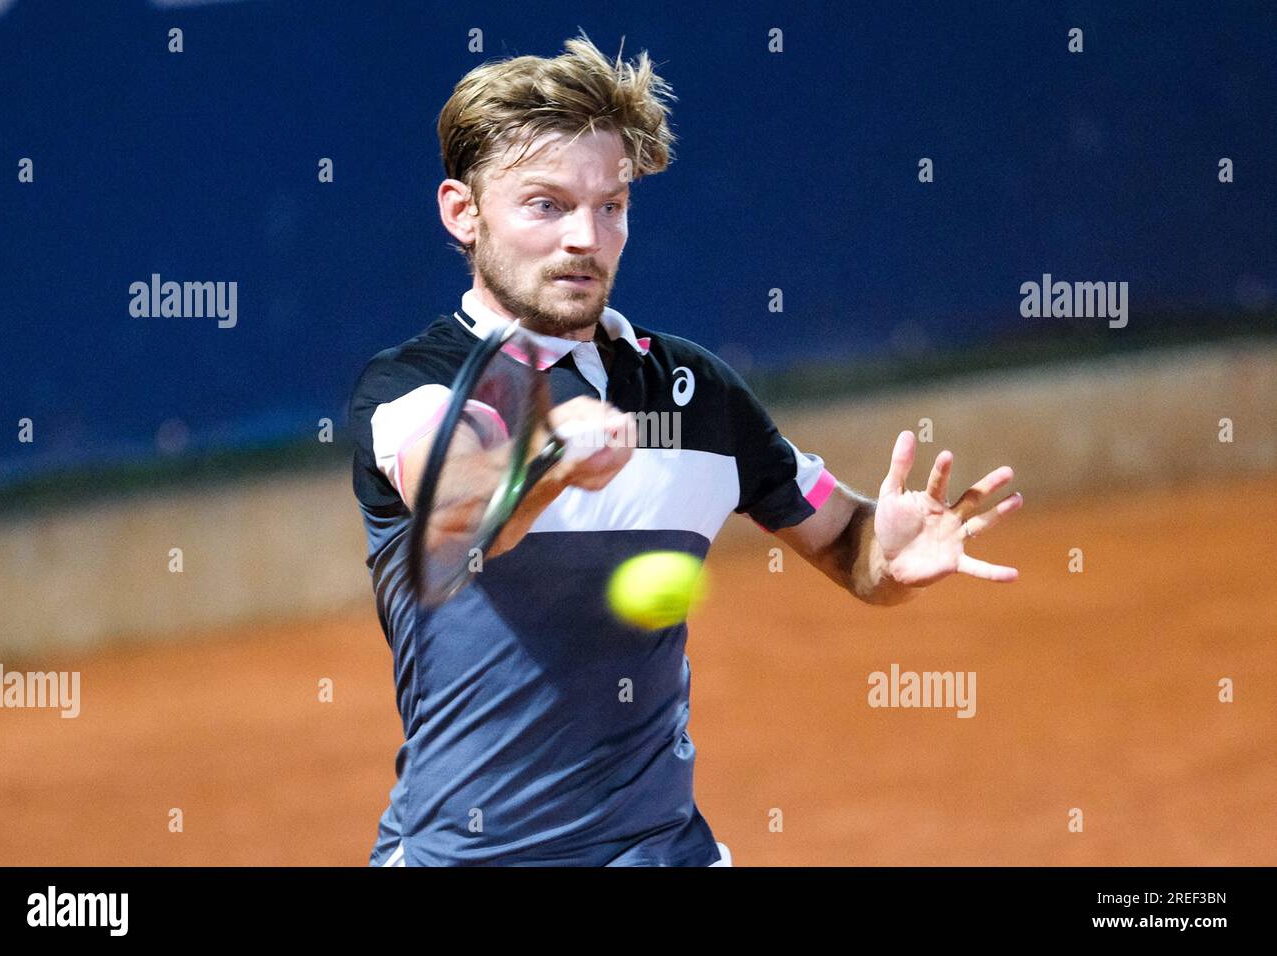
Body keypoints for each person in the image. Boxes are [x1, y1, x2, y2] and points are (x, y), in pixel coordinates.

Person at [347, 33, 1022, 867]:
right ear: (463, 211)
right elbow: (451, 501)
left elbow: (844, 541)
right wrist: (547, 455)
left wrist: (882, 551)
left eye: (611, 206)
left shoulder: (695, 392)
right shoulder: (417, 385)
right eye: (546, 204)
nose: (586, 239)